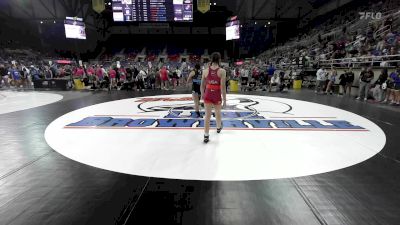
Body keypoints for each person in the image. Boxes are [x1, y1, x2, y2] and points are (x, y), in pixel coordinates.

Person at [200, 52, 226, 143]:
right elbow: (223, 87)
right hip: (216, 94)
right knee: (218, 113)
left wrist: (202, 95)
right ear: (219, 60)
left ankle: (206, 135)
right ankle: (218, 127)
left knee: (207, 115)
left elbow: (202, 85)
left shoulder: (205, 71)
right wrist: (225, 101)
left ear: (211, 60)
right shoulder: (222, 71)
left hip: (207, 94)